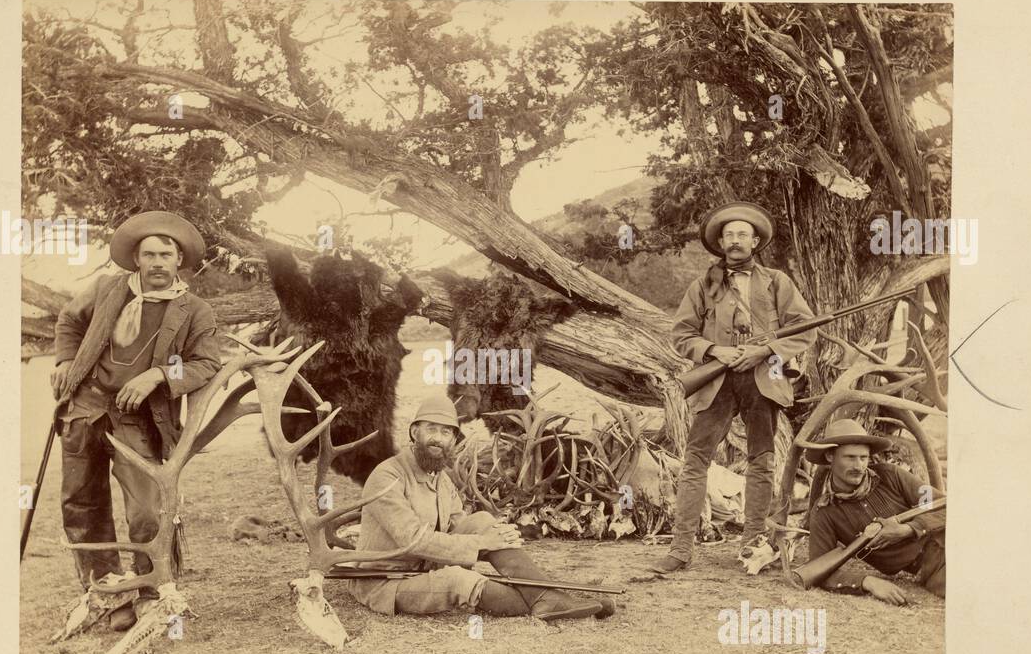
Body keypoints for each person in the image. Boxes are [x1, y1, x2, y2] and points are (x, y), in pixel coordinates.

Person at [50, 211, 221, 626]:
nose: (158, 263)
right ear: (136, 259)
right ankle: (107, 594)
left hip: (139, 421)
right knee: (82, 505)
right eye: (149, 255)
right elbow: (70, 320)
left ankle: (150, 591)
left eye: (166, 254)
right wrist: (65, 360)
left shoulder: (194, 311)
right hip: (85, 409)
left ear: (179, 260)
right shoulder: (107, 289)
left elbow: (206, 364)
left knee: (147, 510)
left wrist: (159, 374)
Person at [652, 202, 817, 574]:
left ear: (755, 241)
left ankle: (752, 546)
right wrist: (716, 351)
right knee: (695, 460)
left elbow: (806, 328)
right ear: (721, 243)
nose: (735, 240)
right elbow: (681, 335)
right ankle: (680, 550)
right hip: (716, 381)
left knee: (761, 460)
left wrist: (764, 350)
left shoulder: (777, 282)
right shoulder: (703, 285)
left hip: (763, 379)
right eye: (729, 235)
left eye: (743, 234)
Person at [348, 396, 607, 621]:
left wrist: (494, 534)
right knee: (458, 580)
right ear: (415, 432)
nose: (437, 438)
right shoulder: (387, 476)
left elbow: (460, 526)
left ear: (453, 441)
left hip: (426, 567)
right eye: (431, 429)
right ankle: (551, 600)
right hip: (386, 582)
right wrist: (484, 542)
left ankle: (549, 597)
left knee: (483, 520)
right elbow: (413, 540)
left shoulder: (441, 479)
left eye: (446, 432)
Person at [803, 419, 946, 603]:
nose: (859, 466)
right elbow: (820, 570)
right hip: (931, 569)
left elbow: (944, 505)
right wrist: (868, 582)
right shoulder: (824, 512)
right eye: (850, 457)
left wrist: (908, 529)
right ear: (830, 457)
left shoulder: (891, 474)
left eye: (864, 458)